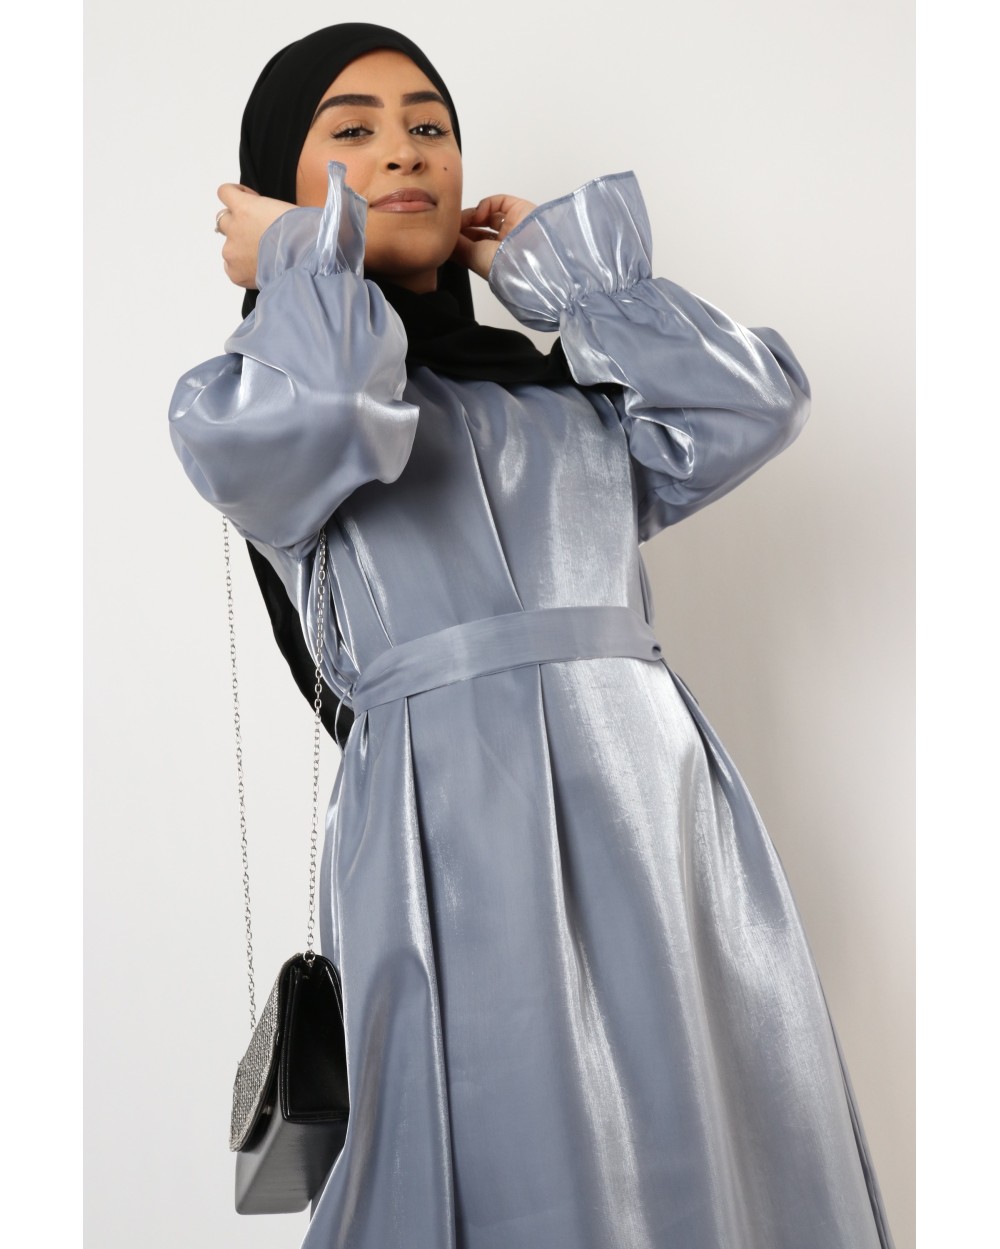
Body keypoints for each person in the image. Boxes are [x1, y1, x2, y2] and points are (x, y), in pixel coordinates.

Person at [168, 22, 896, 1249]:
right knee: (499, 1136)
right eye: (351, 132)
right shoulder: (250, 405)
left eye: (429, 127)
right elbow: (336, 403)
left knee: (696, 1130)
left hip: (657, 805)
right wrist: (304, 260)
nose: (405, 152)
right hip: (450, 821)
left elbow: (753, 401)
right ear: (278, 186)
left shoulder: (566, 398)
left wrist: (569, 278)